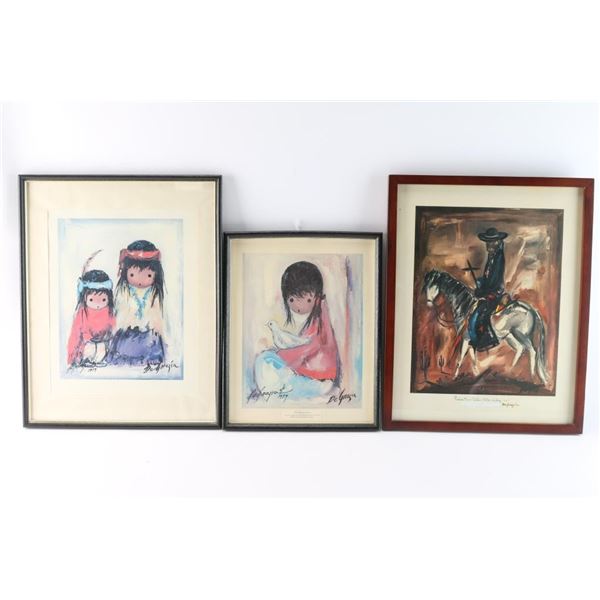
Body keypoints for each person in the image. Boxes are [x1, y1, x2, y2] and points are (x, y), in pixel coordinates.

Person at [254, 261, 340, 400]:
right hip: (316, 376)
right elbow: (307, 346)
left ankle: (283, 388)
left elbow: (313, 346)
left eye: (307, 299)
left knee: (264, 361)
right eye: (292, 300)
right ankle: (282, 386)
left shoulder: (321, 321)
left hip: (319, 380)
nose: (298, 306)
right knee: (266, 358)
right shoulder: (318, 316)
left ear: (317, 296)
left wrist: (285, 356)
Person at [108, 240, 167, 365]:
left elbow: (157, 316)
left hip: (149, 333)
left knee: (151, 354)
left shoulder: (154, 294)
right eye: (133, 274)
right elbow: (120, 313)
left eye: (148, 275)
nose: (140, 281)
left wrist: (156, 328)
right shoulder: (124, 292)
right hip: (127, 332)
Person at [468, 227, 508, 351]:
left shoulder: (498, 258)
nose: (488, 245)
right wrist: (481, 283)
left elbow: (495, 280)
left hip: (495, 292)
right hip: (489, 290)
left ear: (497, 243)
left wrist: (484, 291)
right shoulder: (491, 257)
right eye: (487, 242)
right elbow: (488, 277)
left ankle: (488, 339)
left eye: (491, 242)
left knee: (482, 314)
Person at [67, 266, 116, 367]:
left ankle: (100, 360)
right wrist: (72, 355)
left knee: (101, 349)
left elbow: (113, 325)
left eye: (103, 300)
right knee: (90, 348)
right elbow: (76, 333)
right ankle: (87, 360)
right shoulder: (82, 312)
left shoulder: (109, 311)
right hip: (87, 343)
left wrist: (109, 335)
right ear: (85, 298)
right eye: (92, 300)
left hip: (103, 342)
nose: (97, 304)